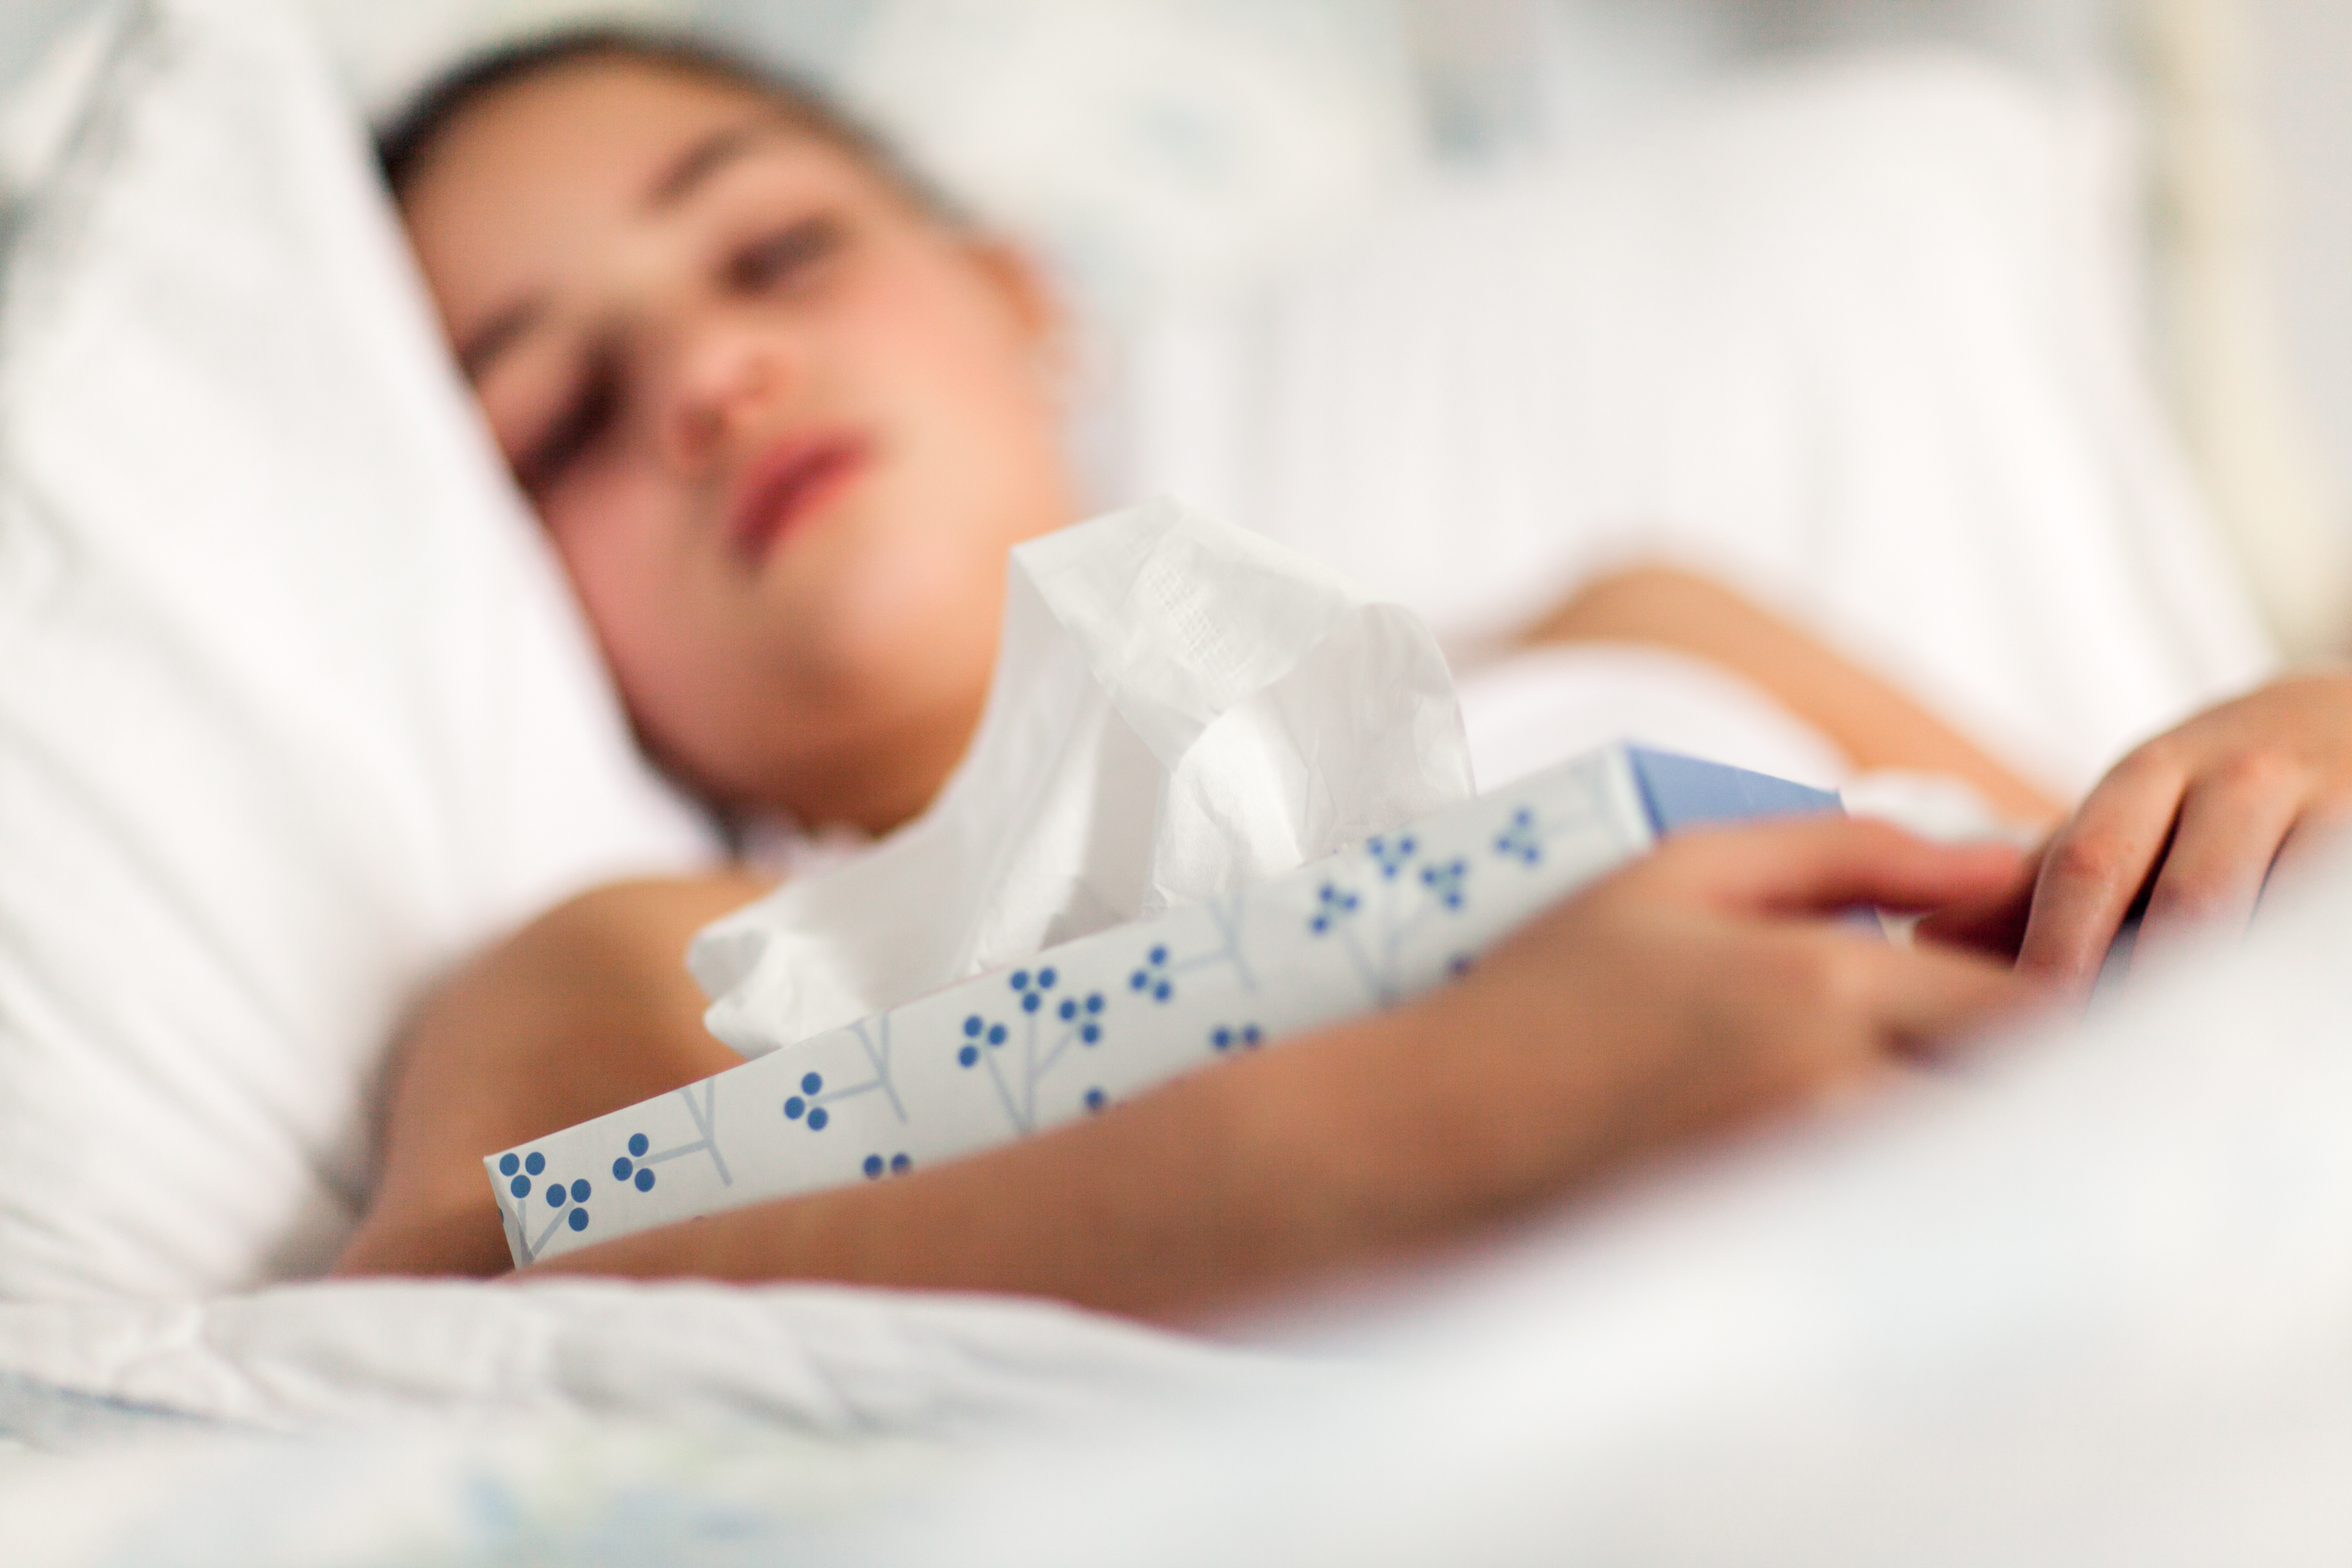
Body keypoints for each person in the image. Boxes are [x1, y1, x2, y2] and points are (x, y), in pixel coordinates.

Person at [329, 30, 2352, 1320]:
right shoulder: (634, 959)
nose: (707, 375)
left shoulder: (1644, 627)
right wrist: (1400, 1133)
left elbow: (2132, 863)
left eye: (774, 253)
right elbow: (440, 1325)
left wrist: (2297, 752)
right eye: (563, 417)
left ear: (1018, 297)